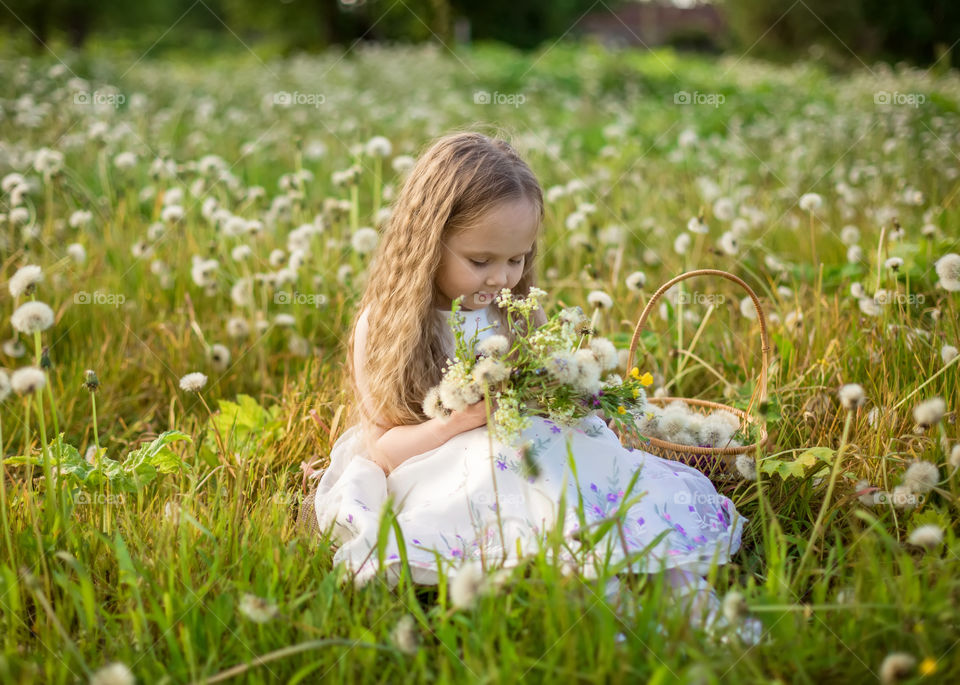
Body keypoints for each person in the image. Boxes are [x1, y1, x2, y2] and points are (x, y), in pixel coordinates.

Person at [303, 131, 760, 642]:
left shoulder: (515, 310)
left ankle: (675, 586)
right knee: (522, 486)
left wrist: (571, 395)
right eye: (481, 261)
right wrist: (459, 421)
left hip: (537, 450)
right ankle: (591, 600)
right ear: (428, 242)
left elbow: (546, 383)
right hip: (452, 467)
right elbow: (381, 450)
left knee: (585, 470)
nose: (502, 277)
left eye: (517, 259)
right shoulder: (388, 327)